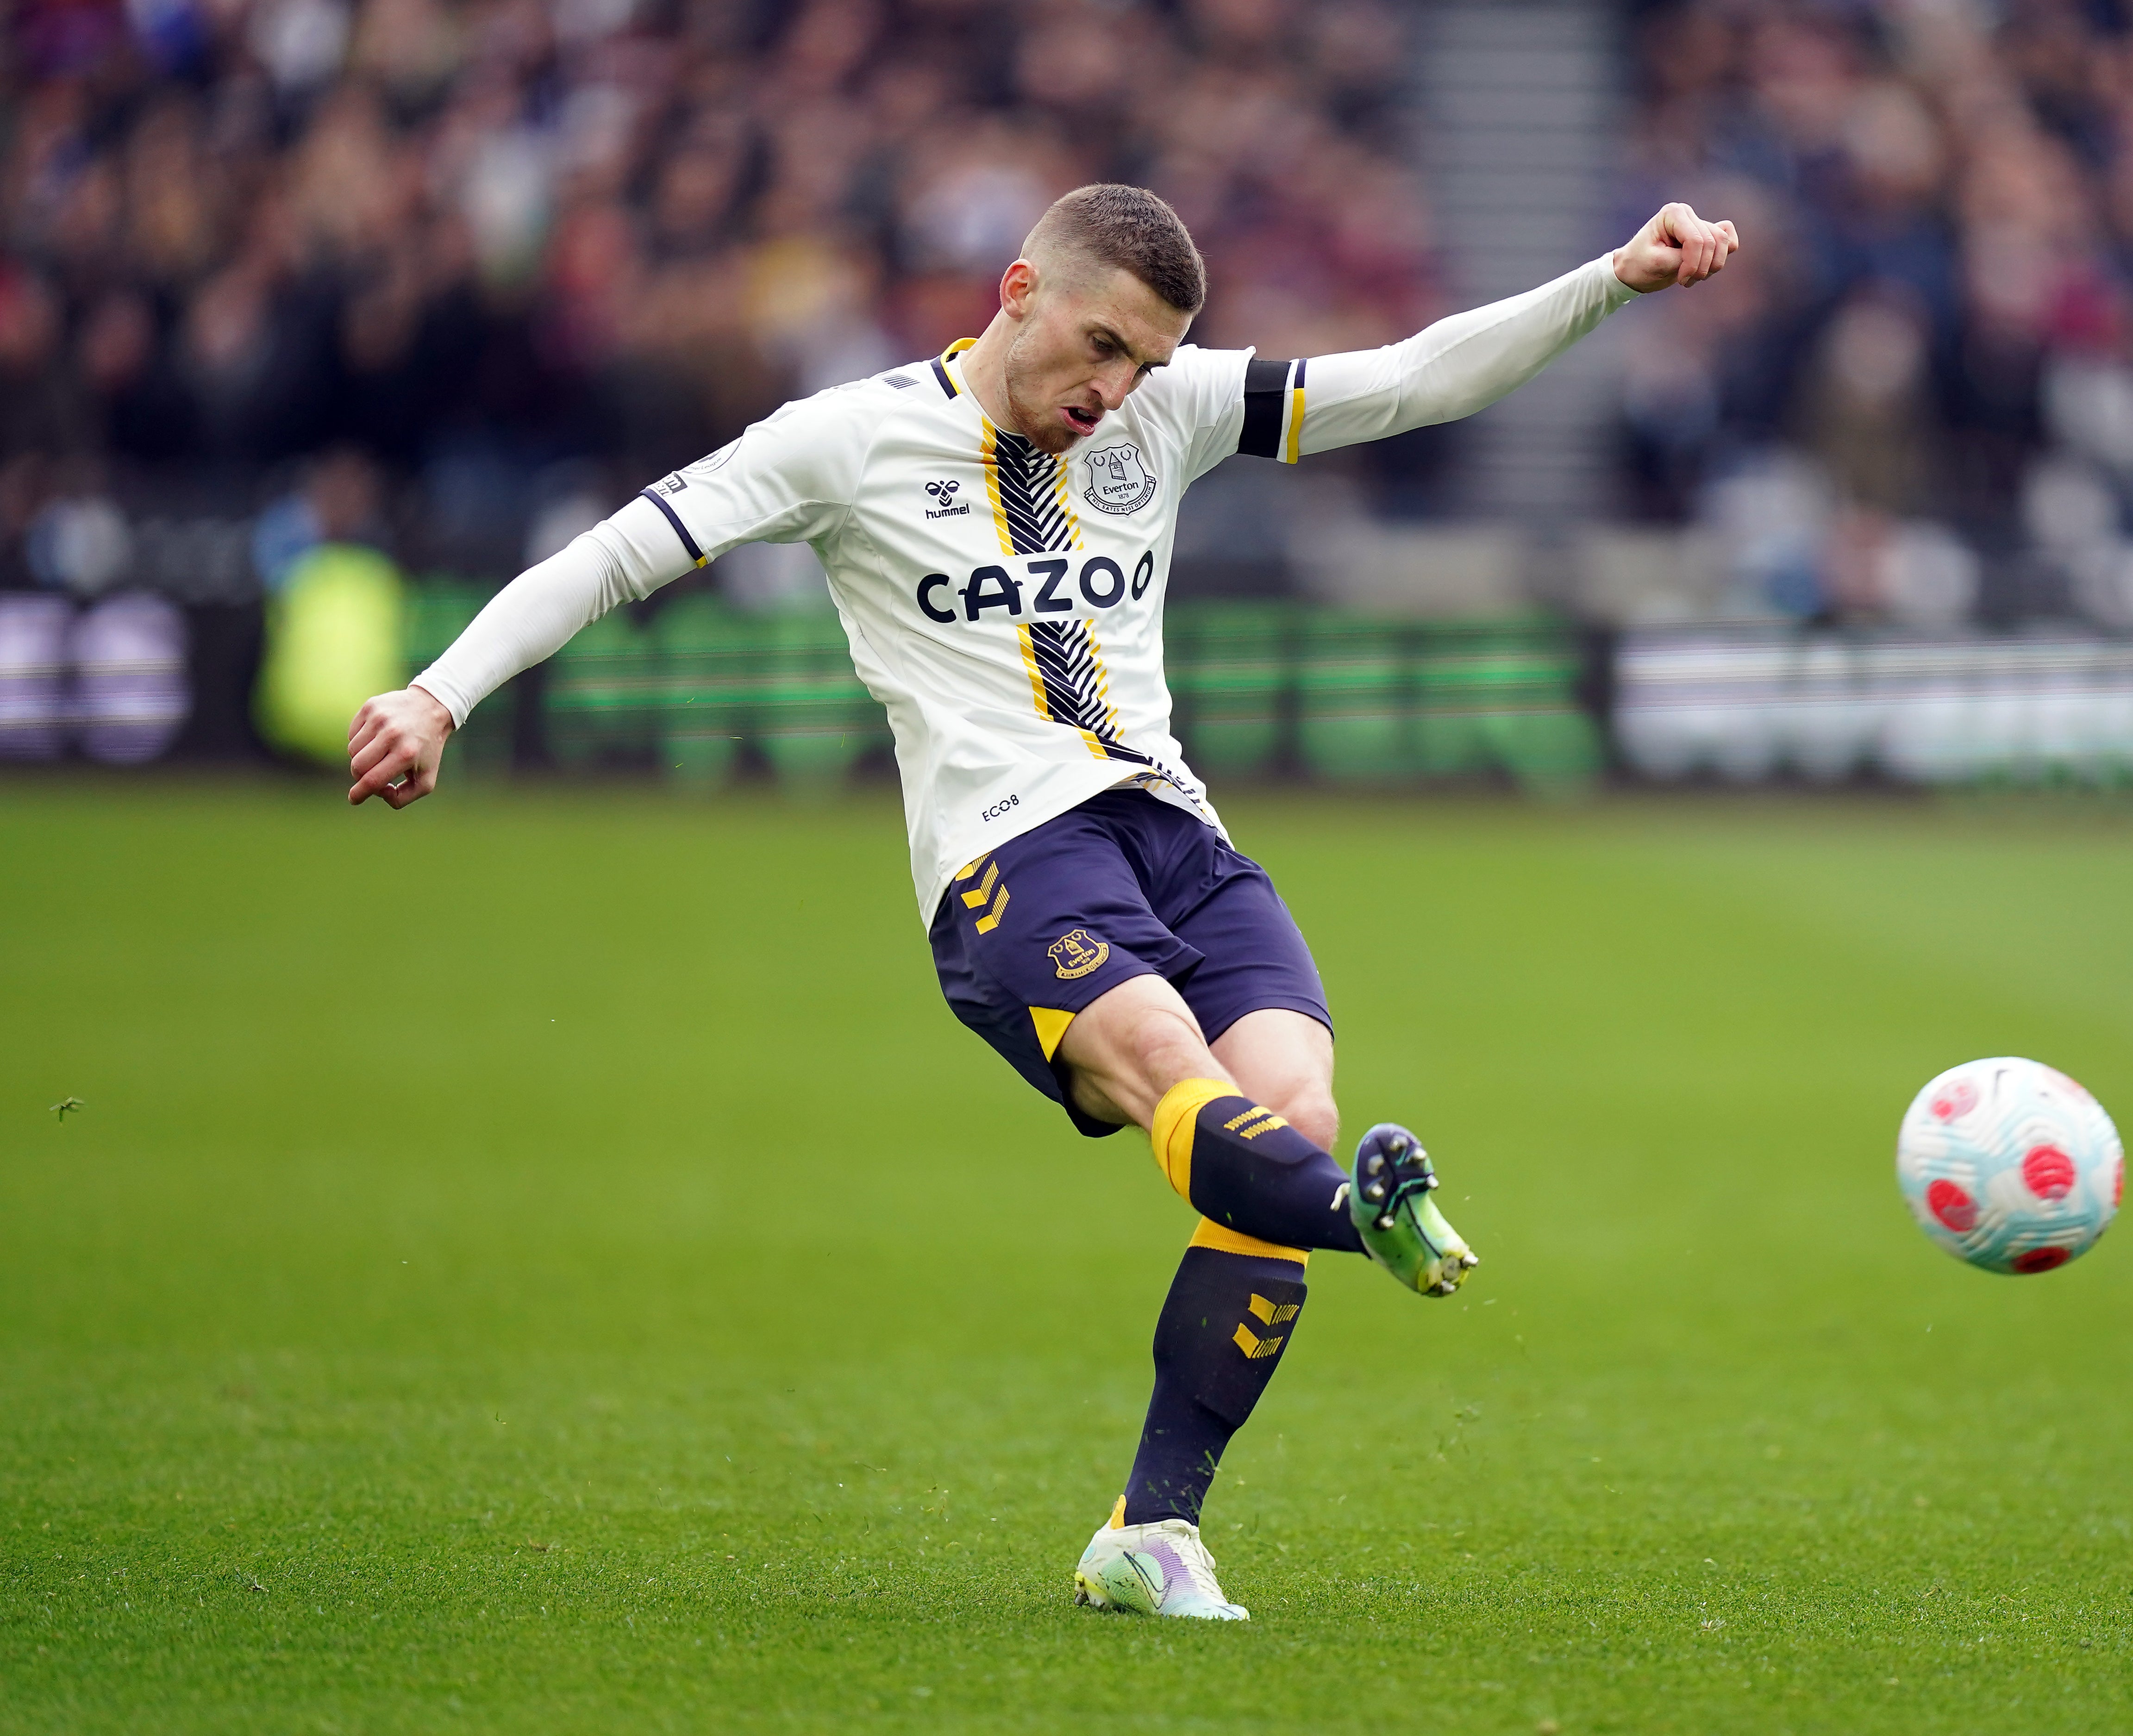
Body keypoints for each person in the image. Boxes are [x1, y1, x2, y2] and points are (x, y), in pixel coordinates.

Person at [346, 184, 1738, 1619]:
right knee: (1175, 1080)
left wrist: (1615, 282)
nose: (1115, 389)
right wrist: (442, 695)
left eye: (1143, 361)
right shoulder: (850, 438)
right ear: (1017, 291)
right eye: (1098, 346)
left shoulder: (1169, 407)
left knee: (1293, 1116)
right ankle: (1366, 1223)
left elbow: (1412, 381)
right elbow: (620, 550)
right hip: (1011, 858)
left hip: (1177, 833)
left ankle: (1154, 1532)